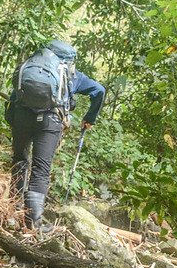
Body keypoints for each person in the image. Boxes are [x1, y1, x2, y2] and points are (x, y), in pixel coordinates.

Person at [6, 39, 105, 231]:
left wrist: (14, 120)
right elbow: (99, 90)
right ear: (69, 60)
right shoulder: (70, 74)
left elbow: (14, 95)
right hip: (49, 121)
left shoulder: (30, 65)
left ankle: (11, 211)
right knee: (41, 168)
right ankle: (33, 221)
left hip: (21, 117)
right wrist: (89, 118)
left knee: (20, 160)